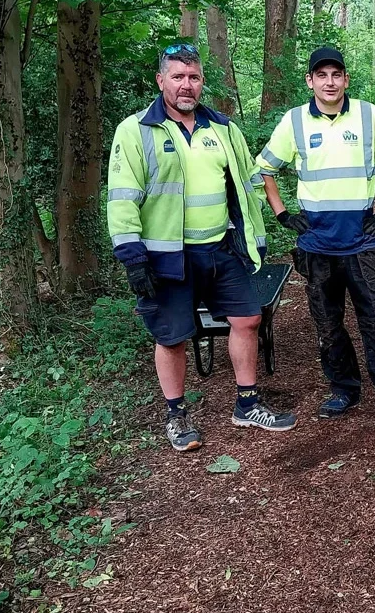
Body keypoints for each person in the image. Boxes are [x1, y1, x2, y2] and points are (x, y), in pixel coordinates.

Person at [107, 43, 297, 452]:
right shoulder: (136, 130)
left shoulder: (224, 128)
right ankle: (176, 415)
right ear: (161, 81)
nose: (186, 85)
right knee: (172, 336)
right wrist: (132, 256)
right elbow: (122, 197)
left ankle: (247, 404)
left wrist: (250, 234)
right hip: (166, 256)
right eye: (177, 77)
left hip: (222, 248)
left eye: (193, 77)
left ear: (202, 81)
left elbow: (248, 184)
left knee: (248, 319)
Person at [257, 47, 375, 427]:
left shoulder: (368, 115)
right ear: (310, 81)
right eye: (321, 75)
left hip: (362, 245)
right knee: (328, 326)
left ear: (345, 79)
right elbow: (263, 170)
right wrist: (282, 214)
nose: (329, 82)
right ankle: (343, 390)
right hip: (317, 247)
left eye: (336, 74)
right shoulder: (293, 123)